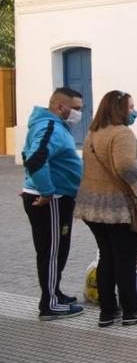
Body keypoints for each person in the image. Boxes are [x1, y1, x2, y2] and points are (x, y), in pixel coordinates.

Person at [74, 91, 137, 327]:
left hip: (92, 207)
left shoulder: (94, 132)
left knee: (107, 257)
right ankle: (132, 310)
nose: (134, 110)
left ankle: (108, 311)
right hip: (117, 208)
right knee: (124, 259)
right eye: (130, 106)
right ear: (119, 108)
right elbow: (125, 165)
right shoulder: (121, 133)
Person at [21, 87, 86, 320]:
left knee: (57, 249)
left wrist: (30, 184)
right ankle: (49, 304)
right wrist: (46, 191)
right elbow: (35, 158)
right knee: (51, 252)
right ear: (60, 106)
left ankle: (54, 292)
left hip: (56, 197)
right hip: (53, 200)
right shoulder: (49, 126)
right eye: (77, 108)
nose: (79, 113)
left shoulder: (51, 126)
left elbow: (28, 152)